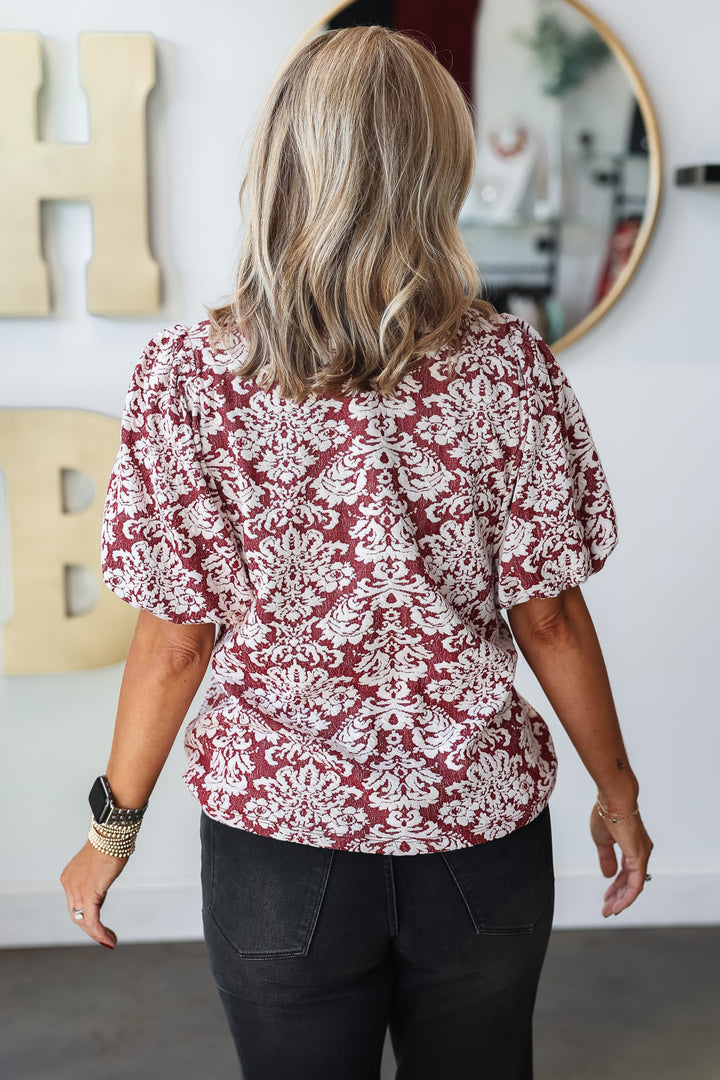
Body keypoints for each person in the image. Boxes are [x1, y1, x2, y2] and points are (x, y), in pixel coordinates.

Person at [61, 25, 653, 1080]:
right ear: (440, 171)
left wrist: (112, 832)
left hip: (278, 852)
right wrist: (618, 791)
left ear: (283, 162)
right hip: (478, 831)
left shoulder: (191, 379)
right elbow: (549, 614)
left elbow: (172, 643)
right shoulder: (508, 369)